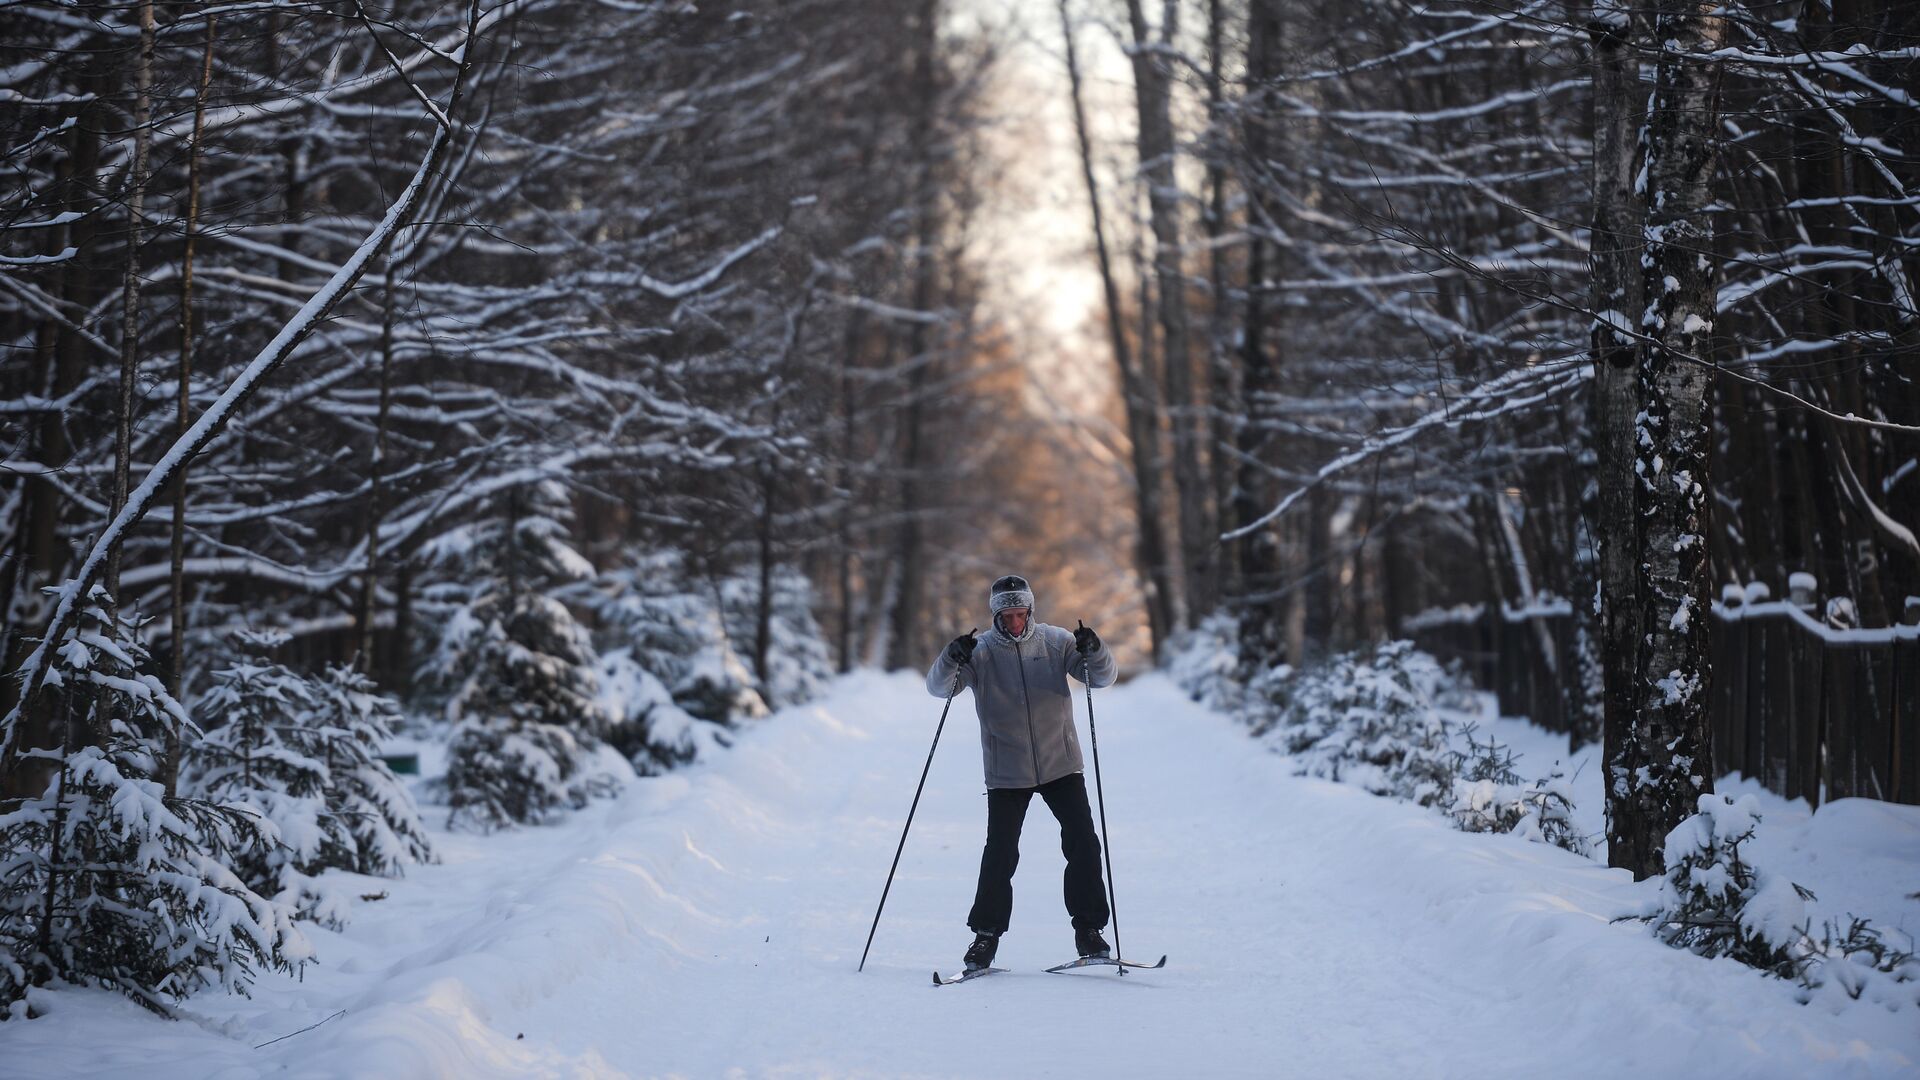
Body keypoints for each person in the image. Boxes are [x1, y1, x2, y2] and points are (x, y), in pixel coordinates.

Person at [924, 573, 1119, 971]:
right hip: (1006, 770)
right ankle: (985, 938)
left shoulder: (1056, 641)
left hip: (1061, 764)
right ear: (994, 615)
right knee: (999, 855)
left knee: (1083, 843)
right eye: (1006, 615)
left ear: (1031, 609)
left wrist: (1094, 649)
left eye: (1020, 612)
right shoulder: (979, 652)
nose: (1014, 622)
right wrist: (950, 656)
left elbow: (1100, 677)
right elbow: (939, 688)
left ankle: (1090, 932)